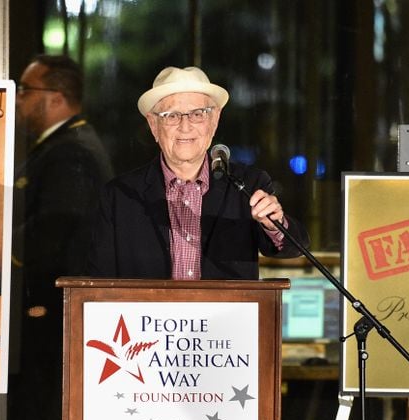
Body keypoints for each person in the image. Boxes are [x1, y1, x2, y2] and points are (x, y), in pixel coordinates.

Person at [88, 66, 309, 280]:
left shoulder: (247, 184)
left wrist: (273, 224)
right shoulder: (118, 196)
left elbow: (293, 248)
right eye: (171, 116)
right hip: (146, 319)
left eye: (197, 114)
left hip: (225, 318)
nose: (185, 127)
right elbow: (99, 283)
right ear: (153, 124)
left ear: (214, 121)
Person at [8, 54, 113, 420]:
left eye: (25, 91)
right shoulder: (59, 145)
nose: (17, 100)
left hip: (50, 312)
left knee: (42, 418)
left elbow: (54, 229)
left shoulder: (71, 151)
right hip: (47, 309)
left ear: (54, 97)